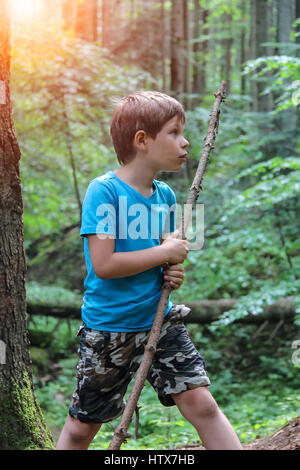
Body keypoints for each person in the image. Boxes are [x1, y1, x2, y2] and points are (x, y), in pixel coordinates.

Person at [56, 91, 242, 450]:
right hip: (110, 328)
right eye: (174, 132)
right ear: (142, 140)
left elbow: (161, 259)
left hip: (159, 319)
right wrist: (164, 253)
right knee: (82, 429)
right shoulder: (104, 191)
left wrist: (172, 271)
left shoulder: (165, 196)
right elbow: (105, 265)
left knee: (202, 404)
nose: (185, 141)